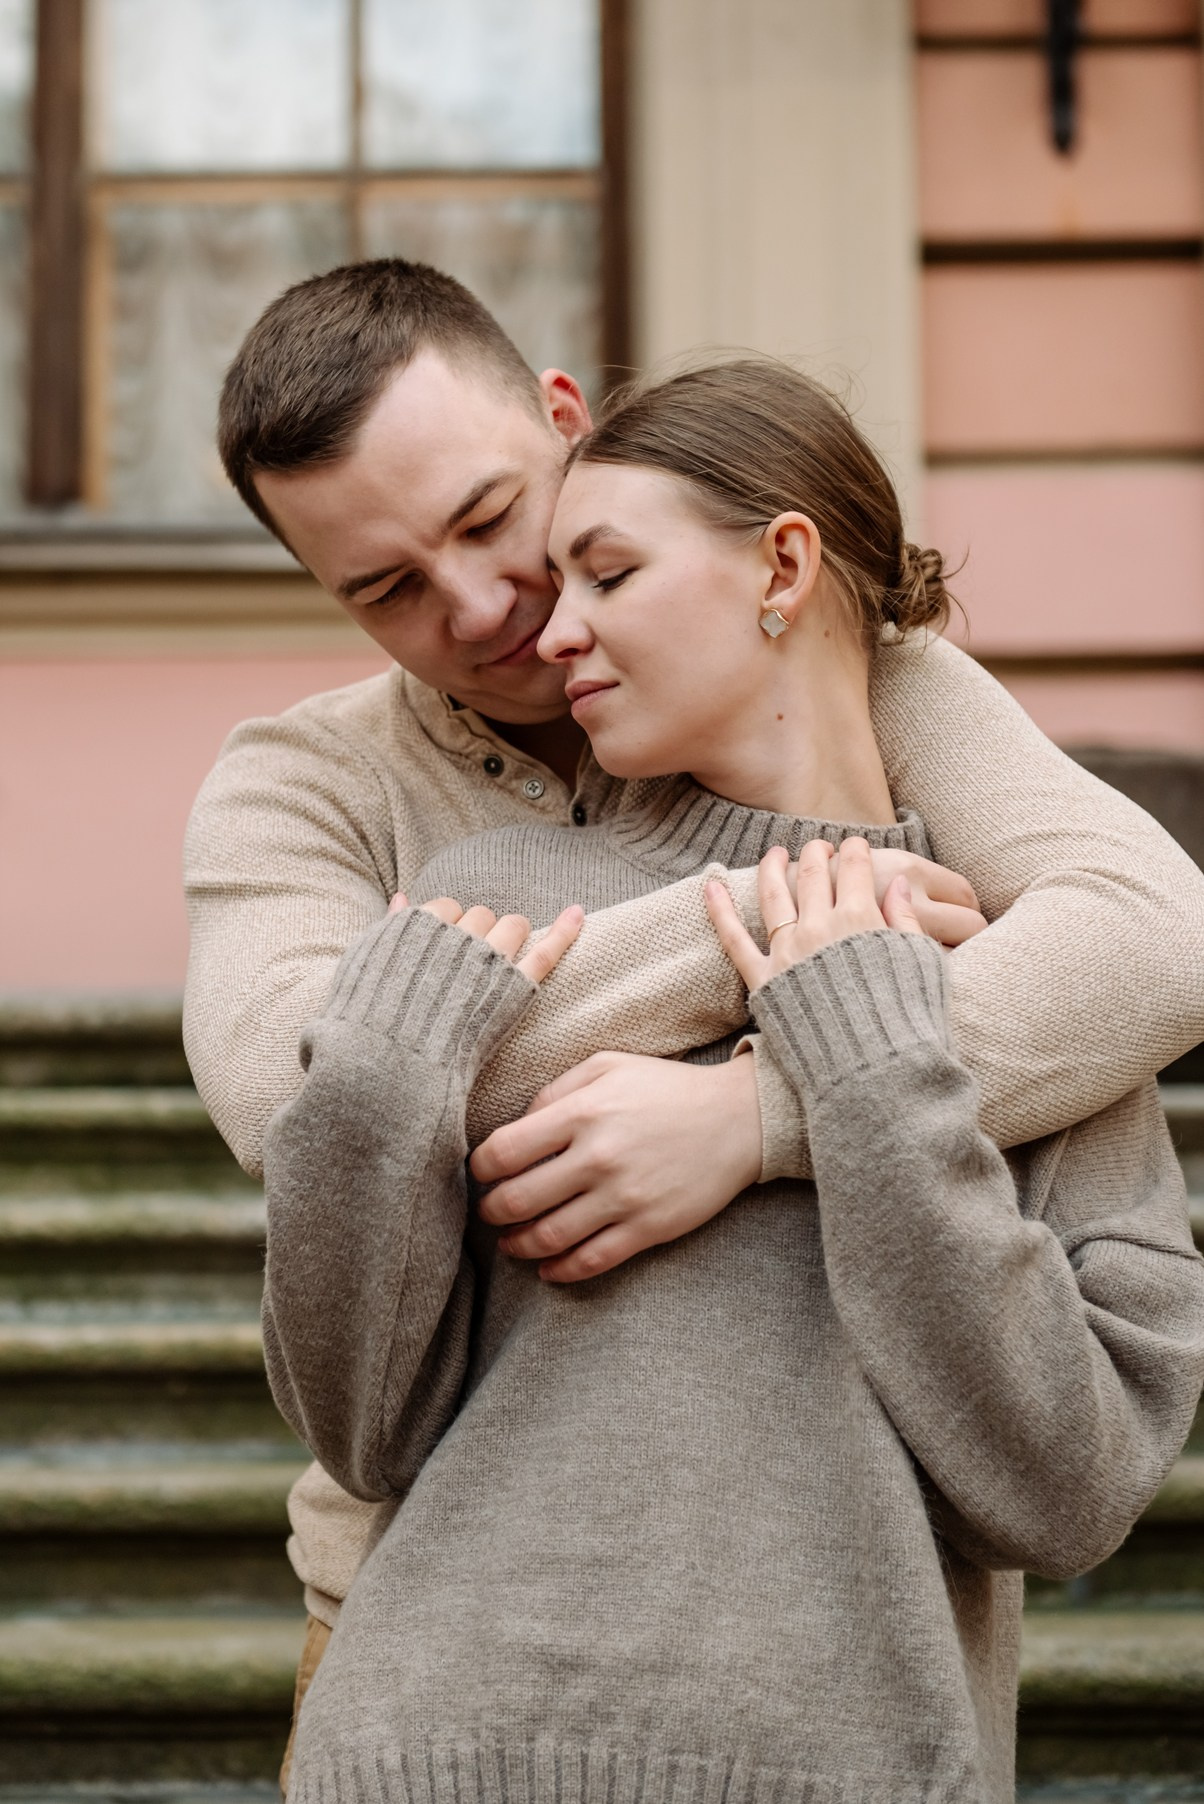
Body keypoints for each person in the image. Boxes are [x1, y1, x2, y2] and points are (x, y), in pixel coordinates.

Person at [183, 261, 1204, 1774]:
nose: (487, 608)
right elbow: (308, 1109)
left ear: (565, 421)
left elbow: (1153, 932)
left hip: (830, 1688)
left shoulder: (866, 668)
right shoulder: (303, 785)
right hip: (419, 1635)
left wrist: (757, 1115)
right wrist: (809, 920)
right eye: (386, 590)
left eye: (489, 519)